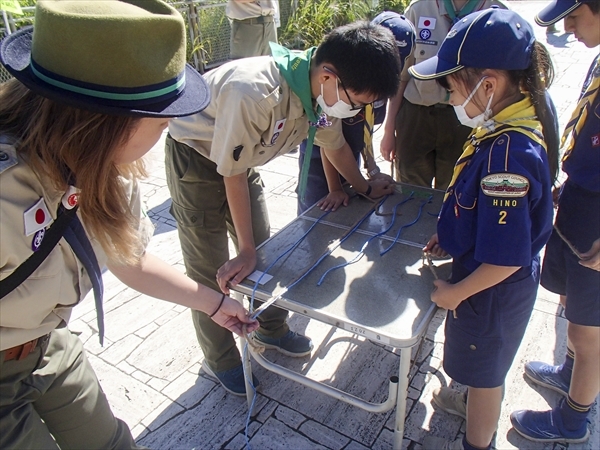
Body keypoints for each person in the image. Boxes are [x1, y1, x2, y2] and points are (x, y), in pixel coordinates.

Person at [0, 1, 259, 448]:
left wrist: (213, 304)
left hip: (45, 344)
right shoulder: (7, 190)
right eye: (160, 121)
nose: (169, 129)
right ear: (106, 123)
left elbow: (129, 258)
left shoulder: (106, 172)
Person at [164, 21, 400, 396]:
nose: (355, 109)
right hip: (197, 159)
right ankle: (221, 358)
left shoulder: (320, 94)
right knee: (211, 267)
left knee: (265, 250)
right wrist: (243, 251)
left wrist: (365, 188)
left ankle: (271, 330)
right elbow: (232, 173)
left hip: (239, 163)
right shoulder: (254, 93)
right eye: (356, 101)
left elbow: (334, 145)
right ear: (328, 75)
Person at [413, 8, 559, 450]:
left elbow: (504, 256)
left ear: (488, 84)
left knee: (487, 372)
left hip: (489, 290)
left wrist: (456, 293)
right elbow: (490, 214)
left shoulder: (505, 158)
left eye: (454, 89)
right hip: (490, 280)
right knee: (482, 366)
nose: (451, 100)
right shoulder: (520, 112)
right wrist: (454, 230)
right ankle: (474, 400)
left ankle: (478, 442)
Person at [510, 0, 600, 443]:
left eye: (574, 16)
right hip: (583, 198)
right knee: (571, 305)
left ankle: (573, 421)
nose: (567, 27)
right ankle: (569, 373)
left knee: (590, 332)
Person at [379, 0, 507, 190]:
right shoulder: (420, 9)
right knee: (410, 186)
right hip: (417, 118)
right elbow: (402, 77)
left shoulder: (496, 14)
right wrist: (389, 130)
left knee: (456, 186)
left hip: (466, 120)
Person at [296, 12, 415, 214]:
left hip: (348, 157)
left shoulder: (374, 86)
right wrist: (335, 188)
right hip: (321, 164)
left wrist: (372, 170)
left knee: (347, 212)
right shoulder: (339, 89)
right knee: (316, 213)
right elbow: (329, 143)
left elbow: (365, 132)